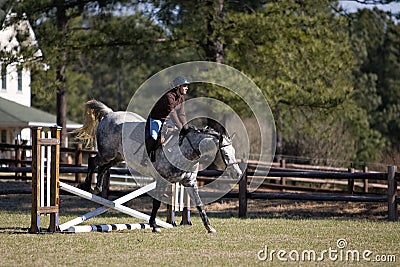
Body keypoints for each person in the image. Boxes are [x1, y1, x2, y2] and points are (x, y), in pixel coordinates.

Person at [142, 76, 190, 164]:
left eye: (187, 86)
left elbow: (181, 113)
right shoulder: (169, 96)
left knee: (180, 135)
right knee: (154, 136)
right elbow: (173, 113)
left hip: (169, 120)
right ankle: (146, 155)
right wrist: (181, 127)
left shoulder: (181, 97)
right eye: (184, 86)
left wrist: (186, 127)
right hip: (157, 118)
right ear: (178, 87)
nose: (187, 88)